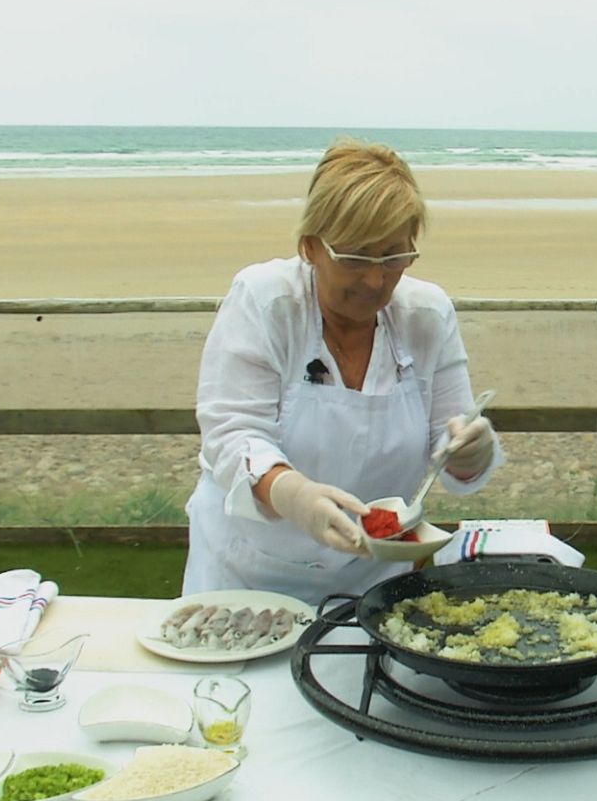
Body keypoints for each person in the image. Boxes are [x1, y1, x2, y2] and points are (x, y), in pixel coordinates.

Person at [183, 138, 503, 606]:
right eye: (355, 257)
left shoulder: (427, 314)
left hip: (374, 579)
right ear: (310, 247)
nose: (375, 281)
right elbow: (232, 435)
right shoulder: (266, 301)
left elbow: (450, 451)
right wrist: (292, 494)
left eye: (394, 258)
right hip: (248, 575)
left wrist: (472, 449)